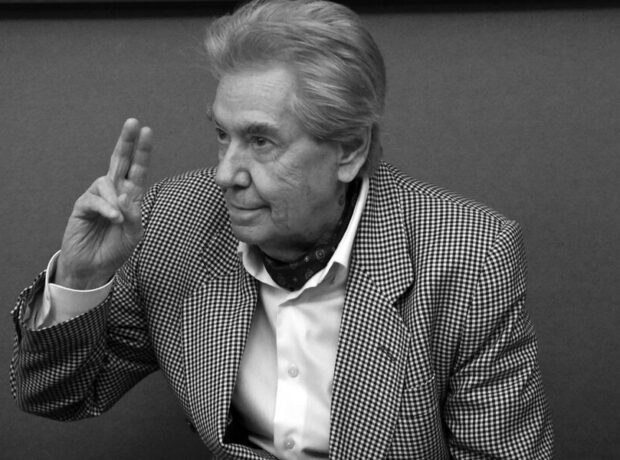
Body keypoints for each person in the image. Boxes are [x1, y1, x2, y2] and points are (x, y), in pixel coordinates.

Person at [10, 0, 553, 458]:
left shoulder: (470, 255)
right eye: (222, 135)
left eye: (261, 141)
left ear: (349, 151)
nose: (225, 173)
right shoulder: (173, 222)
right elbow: (59, 397)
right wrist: (82, 279)